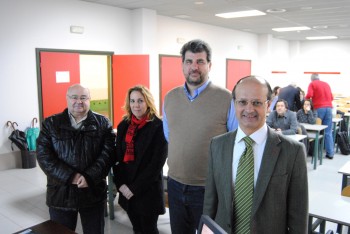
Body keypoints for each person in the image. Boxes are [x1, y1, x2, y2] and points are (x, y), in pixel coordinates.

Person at [203, 76, 308, 234]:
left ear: (268, 105)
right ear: (234, 104)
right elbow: (210, 204)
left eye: (257, 103)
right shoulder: (217, 146)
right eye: (243, 102)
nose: (249, 109)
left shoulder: (293, 152)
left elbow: (298, 217)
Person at [162, 39, 238, 234]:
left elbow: (234, 143)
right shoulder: (170, 97)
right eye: (189, 61)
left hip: (208, 189)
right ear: (182, 65)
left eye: (200, 62)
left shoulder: (226, 98)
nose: (194, 67)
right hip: (175, 184)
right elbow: (171, 136)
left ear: (209, 65)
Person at [36, 84, 116, 234]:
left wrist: (89, 177)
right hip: (61, 194)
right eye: (74, 97)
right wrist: (70, 176)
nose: (79, 101)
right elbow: (44, 156)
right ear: (67, 99)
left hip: (92, 192)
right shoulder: (51, 123)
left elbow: (109, 154)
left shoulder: (103, 123)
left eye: (83, 97)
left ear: (89, 100)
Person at [113, 85, 168, 234]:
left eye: (140, 101)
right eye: (132, 101)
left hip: (147, 191)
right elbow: (117, 159)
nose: (136, 105)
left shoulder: (158, 127)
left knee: (149, 230)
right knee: (137, 228)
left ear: (148, 102)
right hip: (127, 189)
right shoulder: (123, 125)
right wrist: (121, 185)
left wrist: (134, 188)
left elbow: (156, 164)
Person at [305, 73, 334, 159]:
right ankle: (330, 153)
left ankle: (315, 152)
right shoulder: (326, 84)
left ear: (312, 79)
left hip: (319, 108)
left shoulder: (312, 84)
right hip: (329, 108)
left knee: (316, 130)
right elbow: (331, 97)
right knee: (328, 131)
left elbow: (309, 95)